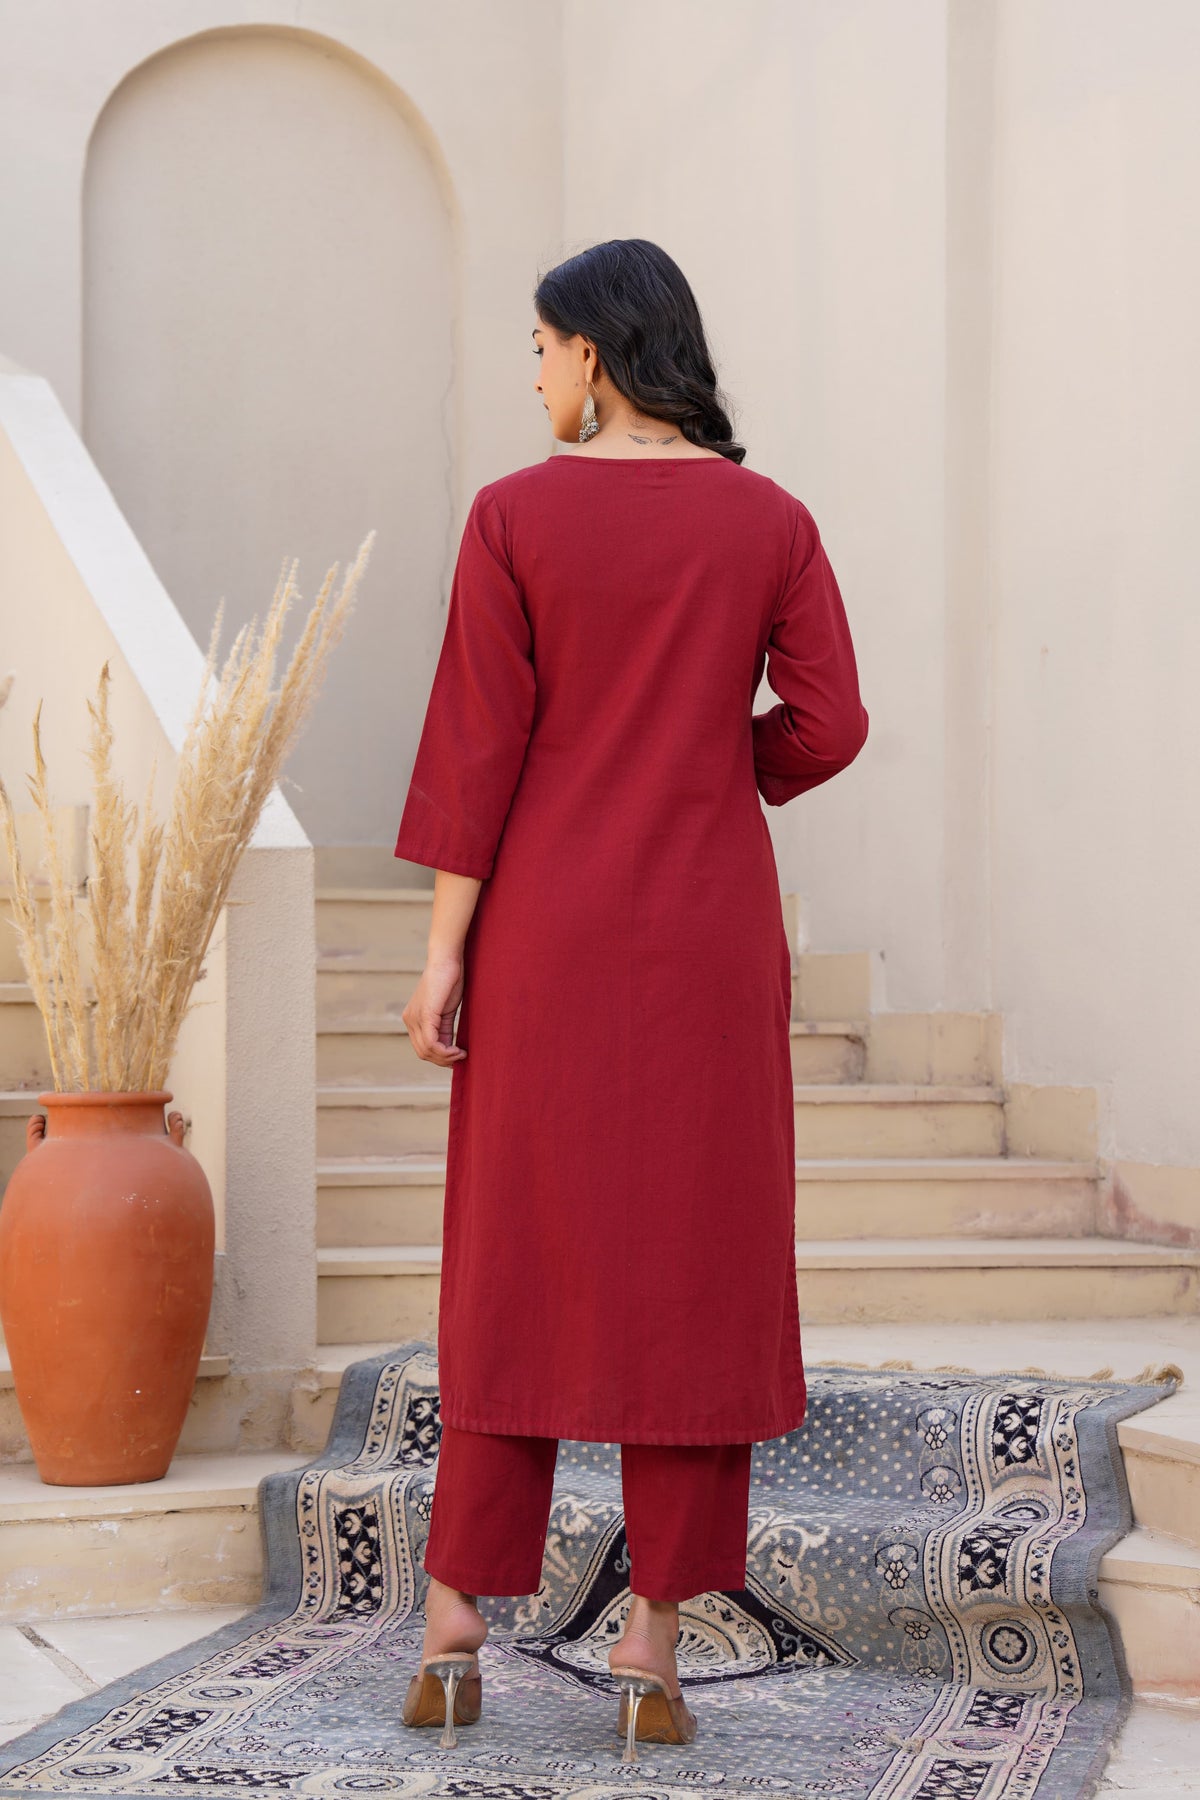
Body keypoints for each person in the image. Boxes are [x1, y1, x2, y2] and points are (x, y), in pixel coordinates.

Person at [394, 237, 869, 1759]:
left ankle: (457, 1621)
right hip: (708, 939)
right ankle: (652, 1655)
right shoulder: (770, 519)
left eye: (539, 348)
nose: (531, 375)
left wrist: (444, 953)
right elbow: (832, 723)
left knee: (515, 1252)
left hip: (547, 933)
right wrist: (714, 769)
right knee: (689, 1262)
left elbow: (478, 750)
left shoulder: (514, 518)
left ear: (594, 355)